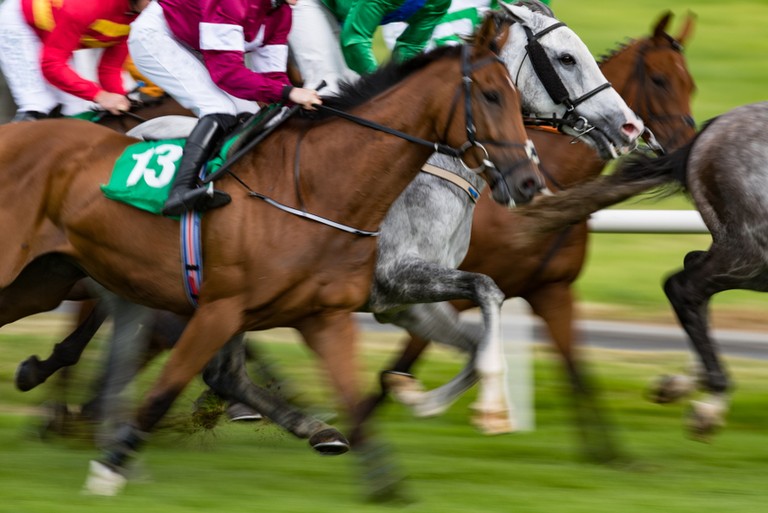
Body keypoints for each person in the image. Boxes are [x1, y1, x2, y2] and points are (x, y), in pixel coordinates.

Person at [128, 0, 321, 215]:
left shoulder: (281, 13)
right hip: (156, 36)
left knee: (255, 114)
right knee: (218, 107)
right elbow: (227, 74)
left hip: (196, 43)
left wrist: (296, 101)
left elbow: (272, 77)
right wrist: (289, 93)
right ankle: (180, 191)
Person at [0, 0, 150, 122]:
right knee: (39, 103)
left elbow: (109, 69)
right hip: (19, 22)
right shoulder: (87, 6)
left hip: (54, 34)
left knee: (77, 110)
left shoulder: (139, 18)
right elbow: (51, 64)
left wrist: (121, 100)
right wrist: (101, 96)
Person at [288, 0, 451, 94]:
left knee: (356, 95)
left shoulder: (440, 3)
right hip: (311, 4)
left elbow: (411, 46)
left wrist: (399, 86)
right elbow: (355, 39)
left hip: (344, 16)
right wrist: (383, 86)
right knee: (328, 88)